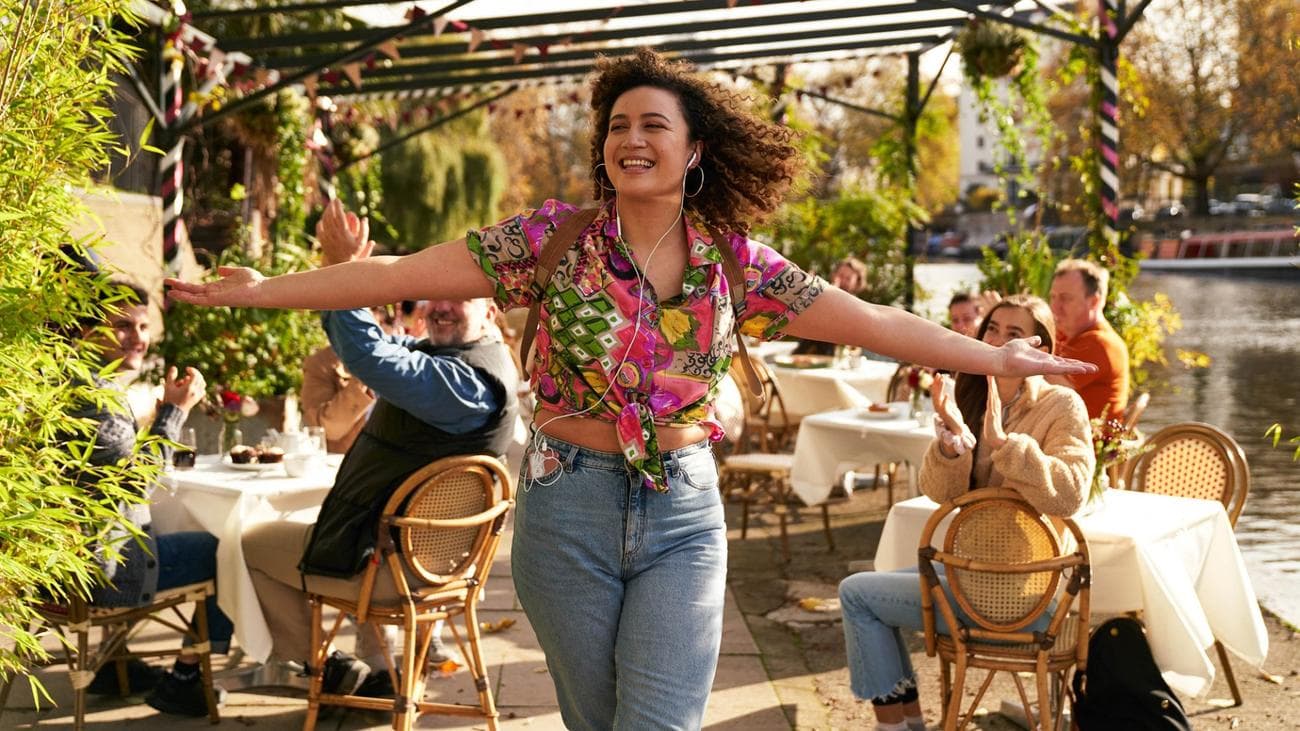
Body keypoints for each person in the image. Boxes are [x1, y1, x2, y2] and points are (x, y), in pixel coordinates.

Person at [167, 49, 1094, 730]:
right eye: (618, 124)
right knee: (599, 720)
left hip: (683, 513)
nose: (631, 137)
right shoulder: (554, 240)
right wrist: (264, 290)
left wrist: (1000, 359)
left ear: (694, 150)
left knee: (657, 724)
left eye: (654, 124)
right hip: (565, 504)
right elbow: (389, 274)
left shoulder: (737, 261)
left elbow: (875, 320)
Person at [239, 216, 518, 698]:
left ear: (491, 311)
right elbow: (381, 344)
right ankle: (357, 669)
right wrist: (344, 275)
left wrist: (343, 268)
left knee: (246, 543)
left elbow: (371, 358)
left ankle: (315, 668)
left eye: (460, 297)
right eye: (436, 295)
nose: (442, 307)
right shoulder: (457, 359)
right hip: (419, 559)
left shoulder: (465, 385)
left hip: (396, 567)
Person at [838, 295, 1093, 730]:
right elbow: (939, 494)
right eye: (993, 330)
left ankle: (895, 727)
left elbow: (1070, 494)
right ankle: (908, 723)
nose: (998, 341)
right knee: (862, 593)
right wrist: (951, 444)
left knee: (858, 595)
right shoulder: (969, 392)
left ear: (1043, 351)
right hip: (973, 580)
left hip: (1026, 594)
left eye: (1016, 334)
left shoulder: (1061, 406)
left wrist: (1004, 445)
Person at [70, 280, 233, 717]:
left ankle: (114, 661)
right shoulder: (94, 399)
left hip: (58, 565)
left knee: (157, 528)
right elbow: (133, 483)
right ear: (85, 330)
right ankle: (185, 679)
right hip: (99, 573)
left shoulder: (69, 383)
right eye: (123, 326)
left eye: (143, 326)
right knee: (227, 549)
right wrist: (174, 413)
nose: (138, 338)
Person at [300, 305, 402, 454]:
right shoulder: (320, 363)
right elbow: (327, 430)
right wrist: (366, 370)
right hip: (349, 463)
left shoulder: (403, 356)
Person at [1049, 258, 1130, 420]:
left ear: (1094, 302)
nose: (1055, 307)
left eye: (1065, 298)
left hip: (1085, 442)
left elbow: (1043, 382)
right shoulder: (1069, 332)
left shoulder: (1099, 343)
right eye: (1053, 297)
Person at [793, 256, 870, 356]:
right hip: (806, 353)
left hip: (838, 356)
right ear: (834, 275)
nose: (843, 281)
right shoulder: (819, 294)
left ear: (856, 282)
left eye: (848, 278)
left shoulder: (858, 306)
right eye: (841, 275)